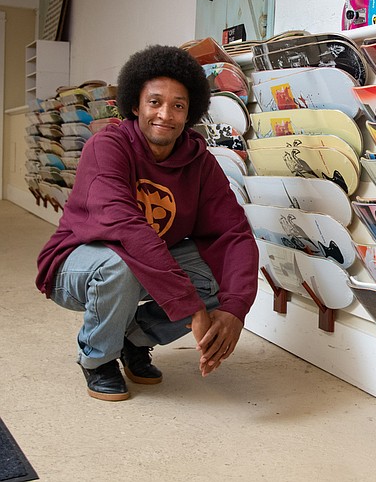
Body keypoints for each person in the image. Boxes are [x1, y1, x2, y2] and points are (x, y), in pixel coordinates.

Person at [35, 45, 258, 402]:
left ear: (190, 113)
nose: (165, 114)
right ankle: (98, 358)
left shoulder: (200, 163)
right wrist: (190, 307)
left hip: (144, 263)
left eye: (178, 105)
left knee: (223, 271)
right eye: (155, 102)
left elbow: (234, 234)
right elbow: (127, 230)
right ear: (135, 105)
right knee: (119, 260)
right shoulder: (106, 147)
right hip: (77, 265)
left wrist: (235, 309)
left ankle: (132, 340)